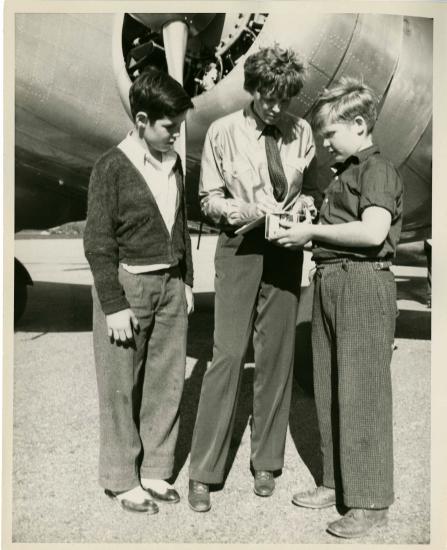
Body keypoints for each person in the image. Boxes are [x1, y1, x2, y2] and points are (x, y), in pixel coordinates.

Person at [187, 44, 320, 512]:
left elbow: (311, 190)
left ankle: (267, 461)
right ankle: (203, 472)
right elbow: (207, 199)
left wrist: (305, 209)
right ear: (254, 87)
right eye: (269, 96)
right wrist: (239, 207)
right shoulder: (222, 132)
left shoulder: (301, 131)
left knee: (276, 358)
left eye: (285, 98)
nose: (277, 107)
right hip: (240, 247)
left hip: (284, 250)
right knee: (226, 356)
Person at [272, 77, 403, 538]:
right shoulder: (342, 174)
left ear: (360, 124)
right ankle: (335, 481)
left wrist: (312, 234)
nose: (324, 143)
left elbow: (371, 233)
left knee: (362, 393)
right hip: (330, 279)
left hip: (363, 283)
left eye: (330, 133)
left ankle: (369, 502)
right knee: (329, 388)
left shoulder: (378, 170)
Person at [83, 67, 194, 514]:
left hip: (170, 285)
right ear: (143, 120)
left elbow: (180, 226)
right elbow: (97, 243)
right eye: (170, 127)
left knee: (166, 382)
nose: (177, 135)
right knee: (120, 385)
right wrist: (113, 305)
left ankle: (155, 469)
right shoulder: (111, 167)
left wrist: (185, 279)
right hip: (128, 286)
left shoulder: (174, 161)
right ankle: (122, 478)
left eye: (180, 127)